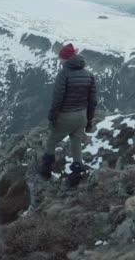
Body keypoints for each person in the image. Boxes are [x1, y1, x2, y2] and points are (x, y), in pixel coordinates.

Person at [38, 43, 97, 185]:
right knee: (76, 143)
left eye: (61, 59)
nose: (60, 61)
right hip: (82, 115)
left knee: (52, 141)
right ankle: (77, 173)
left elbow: (58, 97)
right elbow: (92, 101)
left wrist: (52, 116)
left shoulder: (64, 74)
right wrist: (89, 121)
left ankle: (46, 170)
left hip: (67, 115)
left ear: (66, 59)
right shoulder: (89, 75)